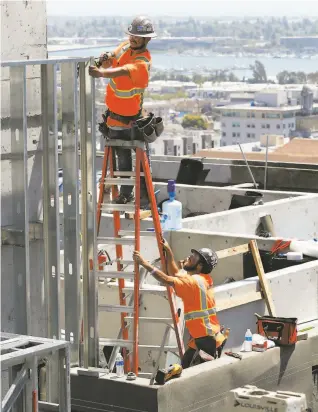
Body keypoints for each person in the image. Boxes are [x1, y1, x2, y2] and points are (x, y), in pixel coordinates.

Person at [88, 16, 156, 206]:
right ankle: (123, 190)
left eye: (138, 37)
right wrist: (104, 59)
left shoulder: (143, 61)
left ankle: (127, 194)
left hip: (129, 120)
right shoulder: (126, 47)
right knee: (119, 154)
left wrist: (101, 73)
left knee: (124, 156)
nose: (133, 39)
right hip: (113, 117)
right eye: (132, 35)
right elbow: (114, 57)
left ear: (147, 39)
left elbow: (125, 70)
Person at [133, 241, 226, 369]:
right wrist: (169, 251)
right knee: (186, 367)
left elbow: (166, 279)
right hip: (203, 337)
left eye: (193, 257)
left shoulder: (193, 282)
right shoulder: (202, 279)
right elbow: (176, 273)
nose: (189, 257)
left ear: (199, 266)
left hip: (206, 339)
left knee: (196, 374)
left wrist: (144, 264)